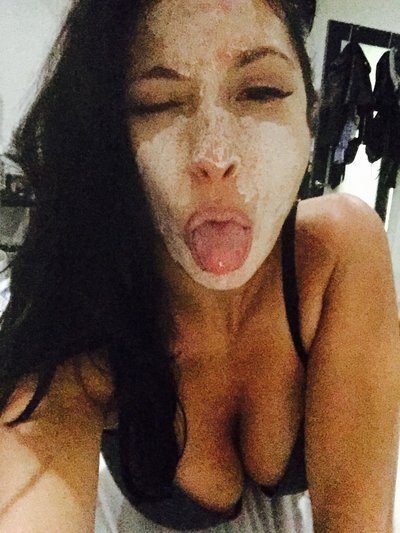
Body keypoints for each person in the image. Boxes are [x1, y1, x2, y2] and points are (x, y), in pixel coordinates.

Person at [0, 0, 399, 531]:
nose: (215, 156)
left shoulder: (338, 249)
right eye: (159, 103)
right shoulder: (82, 322)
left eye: (261, 91)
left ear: (309, 117)